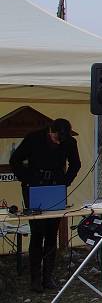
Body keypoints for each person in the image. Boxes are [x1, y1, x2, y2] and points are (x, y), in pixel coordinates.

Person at [9, 118, 81, 292]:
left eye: (61, 140)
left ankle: (48, 278)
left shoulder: (70, 142)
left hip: (55, 186)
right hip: (34, 187)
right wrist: (27, 179)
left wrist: (65, 182)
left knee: (51, 232)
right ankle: (35, 279)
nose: (58, 142)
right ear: (51, 131)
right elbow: (15, 161)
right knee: (37, 232)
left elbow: (75, 164)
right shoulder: (33, 138)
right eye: (56, 138)